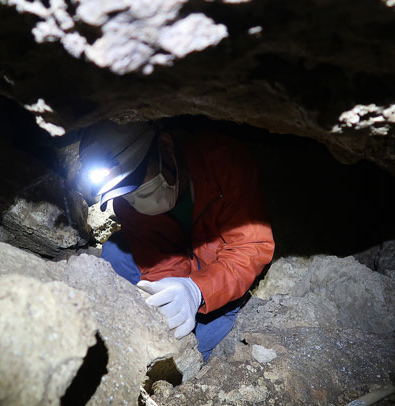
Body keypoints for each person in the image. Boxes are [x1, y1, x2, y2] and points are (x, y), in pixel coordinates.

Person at [78, 120, 274, 361]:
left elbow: (250, 247)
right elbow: (157, 257)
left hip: (218, 267)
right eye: (123, 191)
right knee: (114, 256)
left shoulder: (224, 163)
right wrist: (166, 295)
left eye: (136, 179)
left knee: (198, 346)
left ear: (165, 147)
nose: (133, 197)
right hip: (175, 257)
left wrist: (197, 290)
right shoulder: (127, 203)